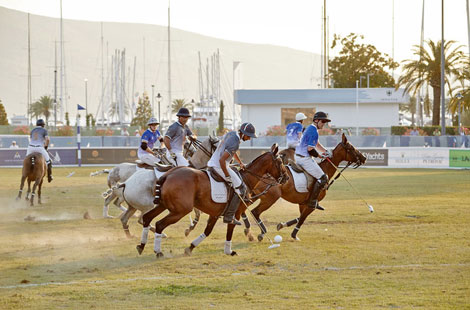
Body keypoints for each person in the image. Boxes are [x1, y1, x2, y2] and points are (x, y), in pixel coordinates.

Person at [207, 122, 257, 225]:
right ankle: (229, 216)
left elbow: (232, 153)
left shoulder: (232, 134)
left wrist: (240, 163)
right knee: (242, 188)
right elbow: (222, 160)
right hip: (219, 165)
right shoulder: (235, 142)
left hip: (214, 162)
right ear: (243, 134)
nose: (249, 139)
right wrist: (227, 176)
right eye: (249, 136)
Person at [295, 111, 332, 210]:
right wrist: (320, 156)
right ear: (316, 120)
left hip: (299, 156)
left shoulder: (311, 129)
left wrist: (325, 151)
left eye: (325, 122)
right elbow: (310, 149)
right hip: (304, 159)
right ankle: (312, 201)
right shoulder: (313, 131)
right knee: (323, 178)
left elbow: (317, 145)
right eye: (323, 121)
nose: (324, 124)